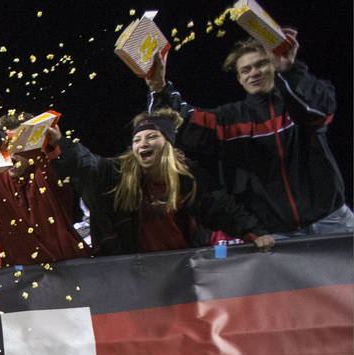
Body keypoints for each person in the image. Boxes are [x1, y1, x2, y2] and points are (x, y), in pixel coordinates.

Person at [145, 32, 353, 236]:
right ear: (239, 78)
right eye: (245, 70)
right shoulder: (230, 120)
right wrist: (159, 88)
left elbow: (321, 110)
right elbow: (177, 123)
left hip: (332, 220)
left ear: (274, 65)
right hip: (277, 234)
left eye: (262, 64)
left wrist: (289, 69)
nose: (253, 73)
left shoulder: (299, 103)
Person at [48, 110, 276, 256]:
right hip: (133, 272)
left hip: (182, 269)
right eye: (137, 139)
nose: (142, 143)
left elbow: (221, 207)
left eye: (151, 137)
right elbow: (87, 164)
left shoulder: (188, 177)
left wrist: (254, 233)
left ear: (167, 143)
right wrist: (60, 143)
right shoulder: (117, 173)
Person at [0, 113, 90, 267]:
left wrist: (52, 142)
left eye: (17, 144)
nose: (10, 152)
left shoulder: (48, 171)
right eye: (6, 146)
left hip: (69, 268)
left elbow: (62, 160)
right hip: (21, 277)